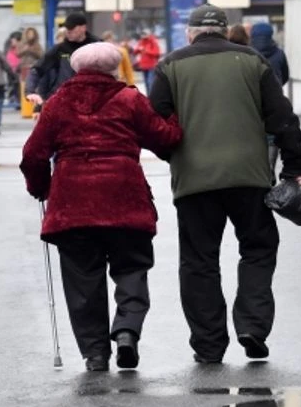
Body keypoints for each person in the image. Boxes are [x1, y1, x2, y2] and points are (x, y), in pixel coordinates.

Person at [149, 5, 301, 365]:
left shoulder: (170, 65)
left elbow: (153, 123)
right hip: (249, 178)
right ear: (223, 30)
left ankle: (208, 345)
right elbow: (283, 118)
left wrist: (174, 155)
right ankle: (252, 326)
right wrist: (292, 168)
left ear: (190, 33)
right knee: (258, 248)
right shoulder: (252, 61)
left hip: (194, 182)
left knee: (199, 261)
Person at [21, 42, 184, 372]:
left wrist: (41, 188)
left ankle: (95, 353)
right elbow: (164, 138)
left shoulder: (57, 103)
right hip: (124, 197)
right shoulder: (129, 99)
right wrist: (176, 115)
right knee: (132, 268)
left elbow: (33, 155)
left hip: (72, 204)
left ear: (77, 69)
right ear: (115, 68)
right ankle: (126, 331)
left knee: (83, 281)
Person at [25, 12, 99, 110]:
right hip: (65, 102)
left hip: (93, 102)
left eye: (72, 28)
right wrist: (30, 92)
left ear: (83, 28)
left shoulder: (98, 46)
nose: (68, 31)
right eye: (67, 28)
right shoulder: (59, 50)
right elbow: (37, 70)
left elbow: (112, 73)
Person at [250, 23, 291, 176]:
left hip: (253, 99)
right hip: (275, 100)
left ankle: (256, 171)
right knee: (272, 135)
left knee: (254, 133)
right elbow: (285, 75)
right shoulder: (279, 53)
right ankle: (270, 169)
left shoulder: (248, 54)